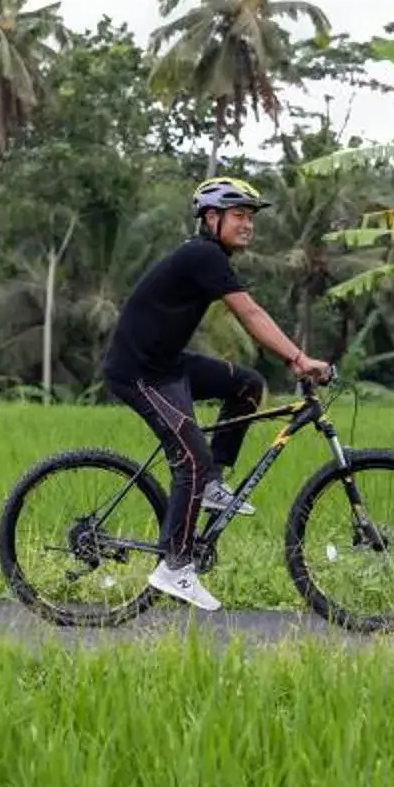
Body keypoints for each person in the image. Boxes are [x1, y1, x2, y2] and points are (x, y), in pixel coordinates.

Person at [101, 175, 333, 611]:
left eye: (251, 217)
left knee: (248, 384)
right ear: (212, 218)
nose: (248, 224)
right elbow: (249, 312)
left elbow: (250, 311)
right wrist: (299, 359)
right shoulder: (202, 255)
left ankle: (211, 483)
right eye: (240, 215)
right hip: (138, 372)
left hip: (168, 364)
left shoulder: (210, 257)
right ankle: (175, 566)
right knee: (190, 458)